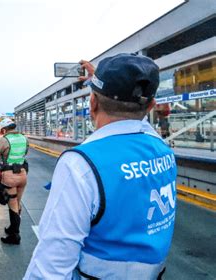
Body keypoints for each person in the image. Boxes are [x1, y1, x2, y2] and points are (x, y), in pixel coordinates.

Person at [24, 53, 177, 279]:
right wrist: (105, 82)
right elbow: (136, 119)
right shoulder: (162, 149)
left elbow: (50, 268)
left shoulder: (81, 164)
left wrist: (101, 84)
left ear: (92, 103)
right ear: (151, 106)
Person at [0, 118, 29, 245]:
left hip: (10, 177)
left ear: (4, 129)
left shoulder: (4, 140)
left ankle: (14, 236)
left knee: (12, 205)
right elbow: (25, 152)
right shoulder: (24, 138)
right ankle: (12, 228)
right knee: (17, 203)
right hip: (23, 175)